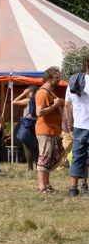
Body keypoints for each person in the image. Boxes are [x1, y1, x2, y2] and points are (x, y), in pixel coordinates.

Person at [35, 67, 65, 193]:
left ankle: (47, 184)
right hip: (45, 130)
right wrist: (56, 104)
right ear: (49, 78)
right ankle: (42, 186)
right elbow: (39, 112)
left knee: (50, 157)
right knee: (44, 157)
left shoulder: (50, 92)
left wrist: (59, 102)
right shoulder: (43, 93)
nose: (59, 79)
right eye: (57, 77)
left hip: (52, 131)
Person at [66, 56, 89, 197]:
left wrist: (69, 122)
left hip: (79, 125)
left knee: (77, 156)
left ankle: (73, 189)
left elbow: (67, 104)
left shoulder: (73, 81)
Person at [13, 86, 39, 172]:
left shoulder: (29, 100)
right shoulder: (38, 101)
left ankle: (30, 168)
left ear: (31, 92)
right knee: (36, 147)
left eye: (27, 92)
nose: (26, 94)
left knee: (26, 146)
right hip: (36, 125)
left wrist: (23, 94)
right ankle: (39, 167)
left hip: (27, 125)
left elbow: (14, 102)